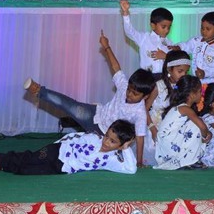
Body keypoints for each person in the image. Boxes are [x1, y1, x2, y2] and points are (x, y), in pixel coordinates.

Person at [24, 31, 155, 167]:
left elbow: (140, 138)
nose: (129, 94)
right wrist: (106, 46)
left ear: (145, 96)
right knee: (69, 105)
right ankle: (39, 91)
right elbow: (116, 67)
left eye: (135, 94)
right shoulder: (123, 86)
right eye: (129, 90)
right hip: (94, 114)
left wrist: (139, 161)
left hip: (104, 135)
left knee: (77, 150)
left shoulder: (140, 113)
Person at [0, 119, 137, 176]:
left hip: (62, 168)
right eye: (107, 136)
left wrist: (126, 148)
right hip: (58, 151)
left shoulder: (111, 160)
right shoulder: (94, 138)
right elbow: (72, 137)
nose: (106, 141)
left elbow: (131, 169)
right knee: (29, 158)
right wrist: (55, 145)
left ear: (120, 145)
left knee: (28, 170)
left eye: (112, 141)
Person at [142, 50, 192, 165]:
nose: (183, 75)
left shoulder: (184, 87)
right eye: (180, 71)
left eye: (186, 72)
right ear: (169, 69)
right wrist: (152, 128)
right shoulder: (159, 86)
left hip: (176, 125)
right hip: (157, 125)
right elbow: (144, 108)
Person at [154, 75, 212, 170]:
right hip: (169, 146)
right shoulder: (185, 108)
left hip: (166, 147)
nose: (201, 94)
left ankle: (187, 160)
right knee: (197, 125)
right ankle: (190, 160)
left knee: (198, 123)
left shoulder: (181, 107)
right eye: (199, 91)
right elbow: (202, 127)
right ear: (192, 94)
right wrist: (206, 135)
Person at [119, 0, 173, 77]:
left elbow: (175, 63)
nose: (167, 30)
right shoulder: (144, 38)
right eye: (163, 27)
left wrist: (166, 57)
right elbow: (130, 32)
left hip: (164, 78)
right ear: (153, 25)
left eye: (169, 27)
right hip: (147, 78)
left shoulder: (169, 43)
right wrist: (125, 13)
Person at [174, 11, 214, 84]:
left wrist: (205, 73)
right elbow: (186, 46)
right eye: (202, 28)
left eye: (208, 29)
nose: (204, 31)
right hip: (197, 83)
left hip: (211, 84)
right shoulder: (196, 41)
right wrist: (179, 47)